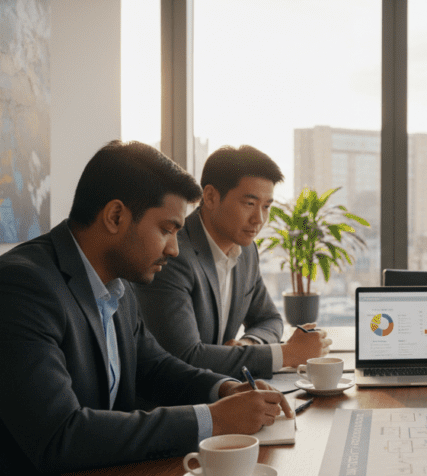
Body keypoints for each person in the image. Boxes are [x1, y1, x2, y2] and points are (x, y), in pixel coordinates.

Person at [0, 141, 291, 476]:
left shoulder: (115, 287)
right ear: (114, 216)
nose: (176, 249)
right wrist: (212, 419)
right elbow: (62, 436)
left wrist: (225, 389)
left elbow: (155, 367)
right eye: (167, 229)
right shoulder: (18, 289)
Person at [135, 145, 329, 379]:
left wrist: (248, 343)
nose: (259, 219)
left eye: (266, 206)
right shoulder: (173, 254)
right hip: (174, 405)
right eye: (249, 203)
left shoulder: (246, 252)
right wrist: (286, 354)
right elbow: (185, 357)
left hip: (225, 391)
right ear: (210, 197)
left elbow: (269, 319)